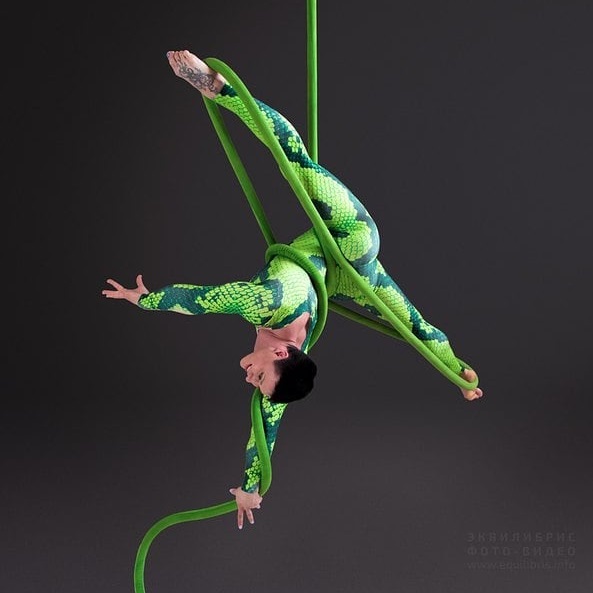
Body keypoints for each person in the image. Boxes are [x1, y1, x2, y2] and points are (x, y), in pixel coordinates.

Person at [103, 50, 483, 530]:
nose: (251, 379)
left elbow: (264, 433)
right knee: (293, 160)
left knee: (408, 321)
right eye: (261, 377)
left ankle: (453, 363)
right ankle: (221, 89)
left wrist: (251, 487)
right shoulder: (266, 303)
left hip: (343, 277)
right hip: (350, 238)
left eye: (258, 383)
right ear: (282, 355)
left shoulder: (285, 358)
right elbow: (198, 300)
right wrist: (146, 300)